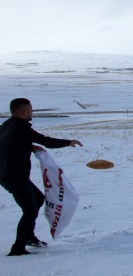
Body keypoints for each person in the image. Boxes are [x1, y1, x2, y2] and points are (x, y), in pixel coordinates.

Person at [0, 98, 83, 256]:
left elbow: (9, 142)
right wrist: (68, 142)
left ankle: (29, 237)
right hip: (14, 177)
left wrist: (29, 146)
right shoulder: (22, 129)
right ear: (23, 111)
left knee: (37, 199)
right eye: (31, 109)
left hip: (8, 175)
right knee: (30, 210)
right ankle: (18, 248)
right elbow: (46, 141)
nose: (32, 111)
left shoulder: (7, 125)